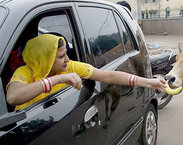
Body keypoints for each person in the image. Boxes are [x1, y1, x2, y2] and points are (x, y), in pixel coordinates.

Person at [6, 34, 166, 110]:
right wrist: (56, 80)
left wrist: (149, 82)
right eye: (62, 56)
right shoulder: (25, 72)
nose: (68, 60)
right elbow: (13, 97)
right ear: (45, 59)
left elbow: (108, 75)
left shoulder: (69, 67)